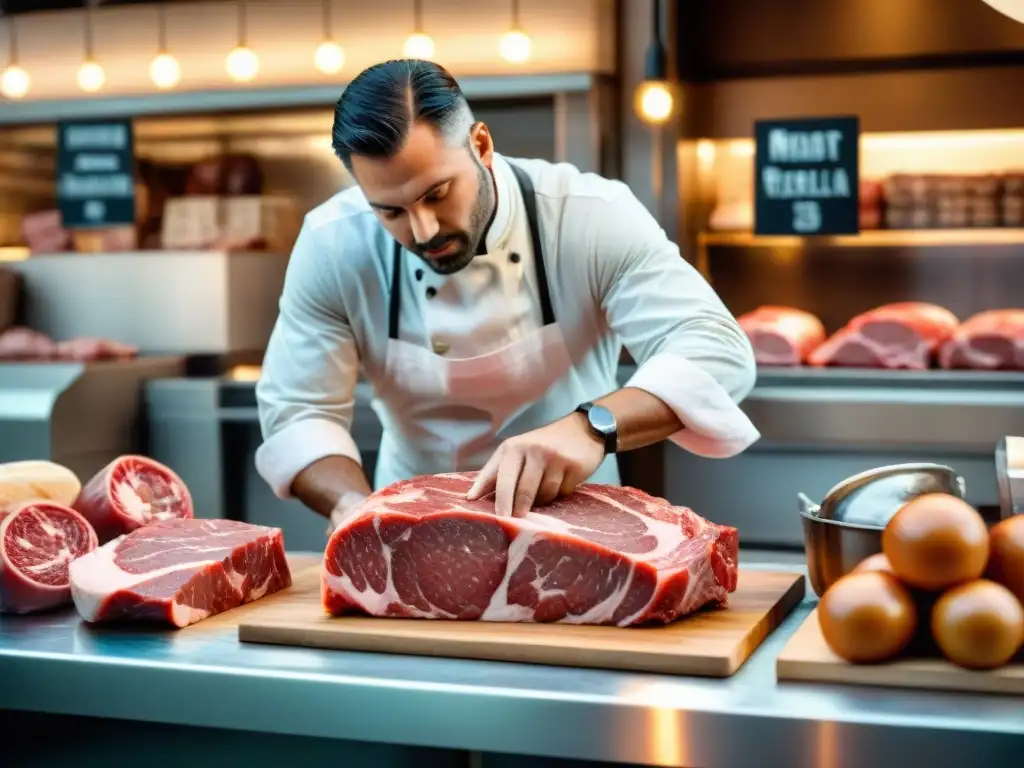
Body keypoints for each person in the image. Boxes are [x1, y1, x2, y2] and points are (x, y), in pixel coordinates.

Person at [255, 58, 759, 530]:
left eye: (437, 193)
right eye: (391, 211)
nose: (424, 229)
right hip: (411, 532)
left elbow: (714, 348)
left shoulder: (588, 215)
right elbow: (301, 412)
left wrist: (591, 427)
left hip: (580, 530)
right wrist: (355, 512)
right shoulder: (333, 242)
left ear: (481, 144)